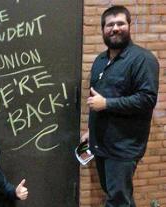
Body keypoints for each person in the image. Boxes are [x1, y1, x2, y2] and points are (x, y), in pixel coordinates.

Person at [81, 5, 159, 207]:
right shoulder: (100, 60)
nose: (115, 28)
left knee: (117, 199)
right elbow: (95, 99)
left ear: (129, 26)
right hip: (101, 143)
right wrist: (90, 129)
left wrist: (107, 103)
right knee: (117, 195)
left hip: (123, 146)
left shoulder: (142, 59)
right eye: (110, 25)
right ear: (103, 30)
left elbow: (147, 99)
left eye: (120, 23)